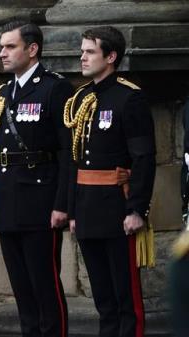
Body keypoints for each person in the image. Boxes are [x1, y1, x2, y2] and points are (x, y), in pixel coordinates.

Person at [65, 26, 156, 337]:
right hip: (88, 208)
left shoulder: (129, 98)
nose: (82, 57)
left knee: (125, 298)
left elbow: (143, 158)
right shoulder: (82, 98)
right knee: (103, 300)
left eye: (90, 52)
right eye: (82, 51)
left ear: (111, 56)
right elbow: (75, 159)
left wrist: (136, 210)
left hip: (118, 209)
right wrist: (73, 210)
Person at [0, 21, 72, 337]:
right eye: (1, 47)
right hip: (9, 201)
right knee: (22, 290)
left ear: (32, 49)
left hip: (41, 202)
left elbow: (67, 152)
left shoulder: (54, 87)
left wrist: (63, 204)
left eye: (10, 46)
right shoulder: (5, 92)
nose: (2, 53)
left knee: (45, 286)